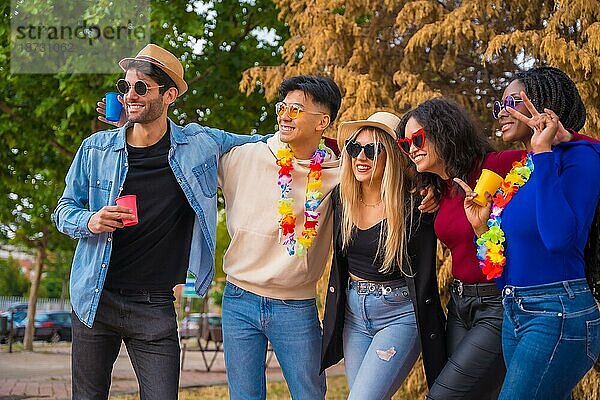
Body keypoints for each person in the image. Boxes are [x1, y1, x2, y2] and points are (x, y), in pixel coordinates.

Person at [52, 44, 266, 400]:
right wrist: (91, 220)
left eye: (141, 88)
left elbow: (258, 145)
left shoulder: (199, 143)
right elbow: (63, 210)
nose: (130, 95)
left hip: (154, 305)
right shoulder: (95, 149)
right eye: (125, 87)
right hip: (95, 296)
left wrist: (319, 148)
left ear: (169, 95)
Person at [456, 66, 600, 399]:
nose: (502, 113)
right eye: (499, 105)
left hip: (559, 312)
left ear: (544, 105)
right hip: (516, 311)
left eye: (512, 101)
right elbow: (506, 270)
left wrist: (546, 151)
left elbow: (558, 239)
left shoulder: (582, 158)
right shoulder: (526, 170)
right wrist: (481, 228)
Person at [398, 98, 525, 399]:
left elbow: (545, 163)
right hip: (459, 306)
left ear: (445, 131)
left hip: (496, 306)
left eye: (418, 139)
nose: (412, 148)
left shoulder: (494, 166)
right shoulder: (442, 187)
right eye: (406, 144)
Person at [320, 112, 446, 399]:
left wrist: (434, 187)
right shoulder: (343, 197)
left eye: (371, 150)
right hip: (353, 314)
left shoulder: (416, 203)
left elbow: (449, 177)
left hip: (398, 314)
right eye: (354, 148)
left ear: (390, 155)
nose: (360, 157)